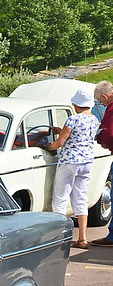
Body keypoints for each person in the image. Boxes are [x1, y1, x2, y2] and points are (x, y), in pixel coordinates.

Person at [47, 87, 100, 249]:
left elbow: (60, 143)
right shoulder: (94, 120)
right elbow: (81, 135)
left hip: (69, 162)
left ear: (77, 104)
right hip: (86, 163)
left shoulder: (73, 119)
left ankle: (60, 237)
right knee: (80, 199)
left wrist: (49, 146)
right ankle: (82, 238)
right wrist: (61, 131)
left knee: (61, 198)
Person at [91, 80, 113, 247]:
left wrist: (100, 139)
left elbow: (107, 133)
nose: (101, 104)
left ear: (105, 96)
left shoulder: (111, 109)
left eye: (101, 101)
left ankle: (112, 237)